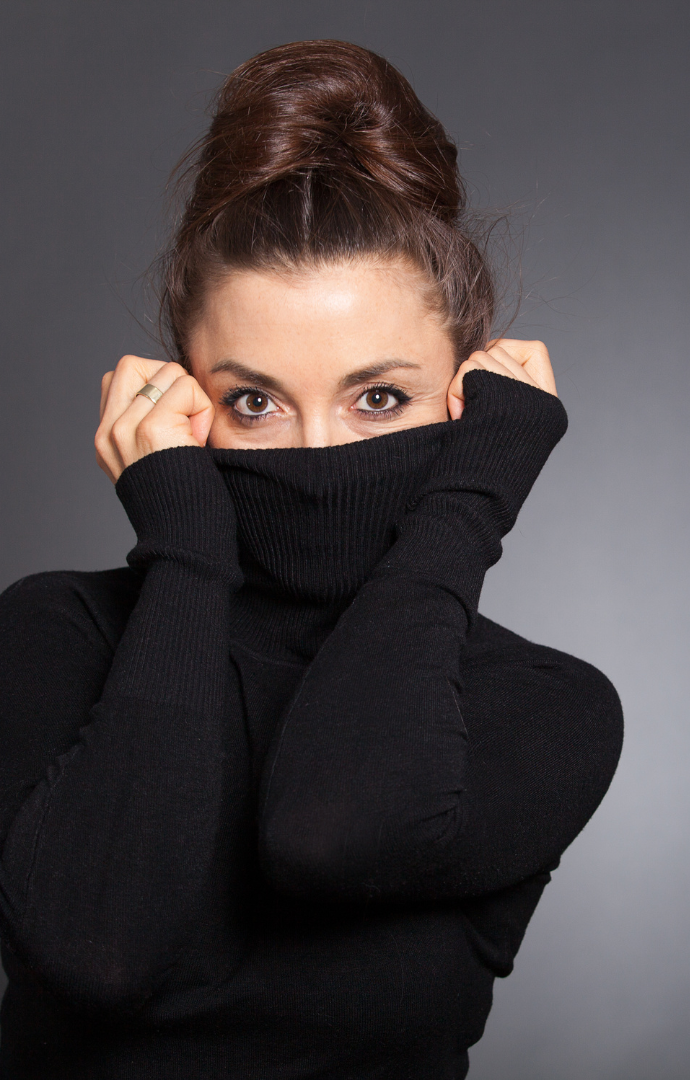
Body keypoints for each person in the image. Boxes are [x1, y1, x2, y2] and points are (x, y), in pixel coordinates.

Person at [0, 40, 622, 1078]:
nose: (320, 455)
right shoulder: (54, 636)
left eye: (379, 397)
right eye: (254, 402)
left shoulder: (540, 705)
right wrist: (187, 555)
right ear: (179, 400)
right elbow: (100, 953)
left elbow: (332, 832)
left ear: (468, 403)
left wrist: (471, 500)